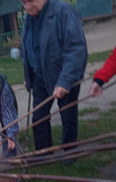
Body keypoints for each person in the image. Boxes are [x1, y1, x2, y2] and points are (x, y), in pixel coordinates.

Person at [21, 0, 87, 156]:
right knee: (38, 118)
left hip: (62, 75)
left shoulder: (62, 11)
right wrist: (29, 76)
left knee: (67, 115)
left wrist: (65, 80)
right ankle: (44, 153)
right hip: (39, 77)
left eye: (31, 1)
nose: (27, 6)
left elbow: (76, 48)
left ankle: (70, 151)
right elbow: (29, 48)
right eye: (24, 2)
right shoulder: (28, 18)